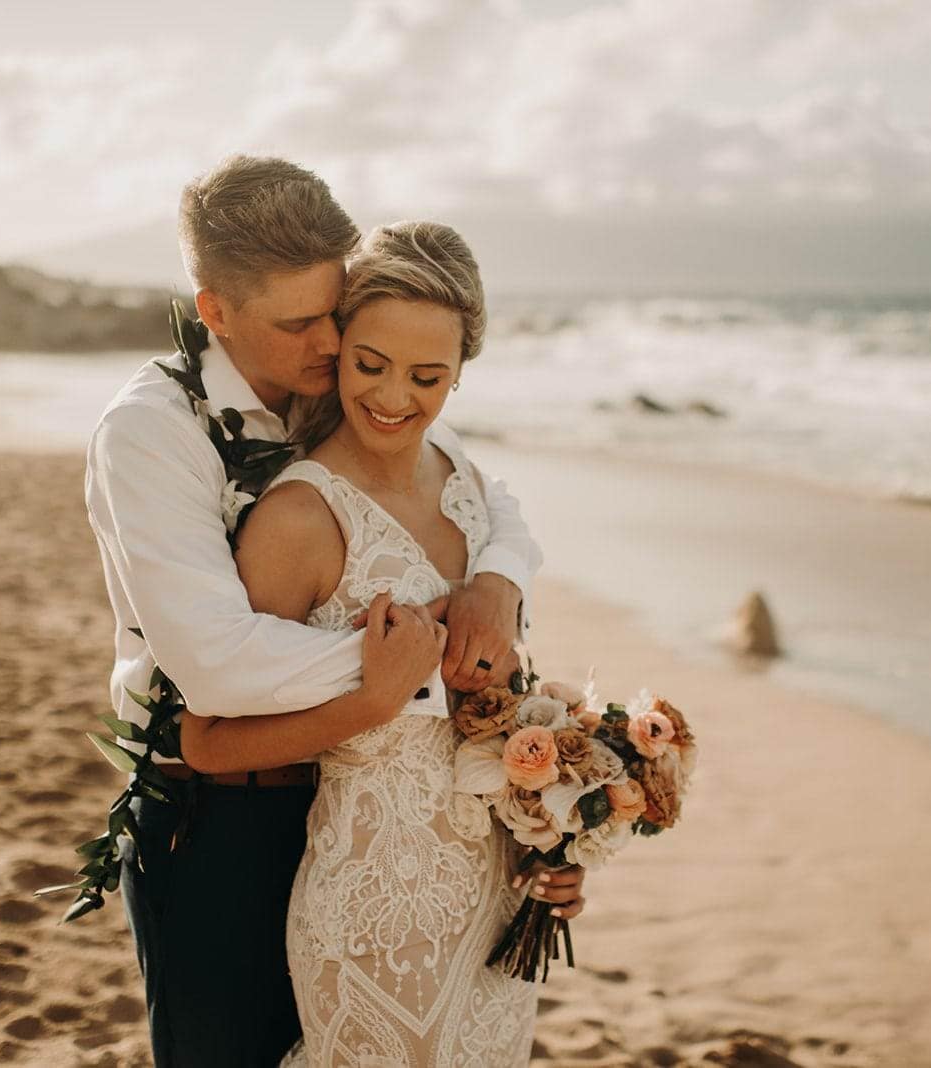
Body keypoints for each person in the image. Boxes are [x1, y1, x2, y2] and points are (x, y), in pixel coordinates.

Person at [83, 157, 581, 1067]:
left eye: (335, 311)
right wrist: (422, 665)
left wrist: (498, 587)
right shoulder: (152, 433)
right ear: (216, 311)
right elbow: (220, 665)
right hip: (216, 817)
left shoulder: (355, 387)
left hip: (354, 807)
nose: (328, 342)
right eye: (301, 322)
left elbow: (485, 500)